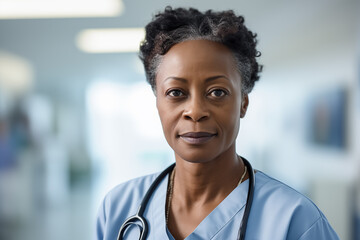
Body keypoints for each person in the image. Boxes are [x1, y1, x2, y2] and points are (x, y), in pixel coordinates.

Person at [96, 7, 339, 240]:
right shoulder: (118, 207)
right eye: (176, 92)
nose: (195, 112)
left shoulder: (295, 220)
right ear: (157, 102)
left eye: (217, 92)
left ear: (243, 103)